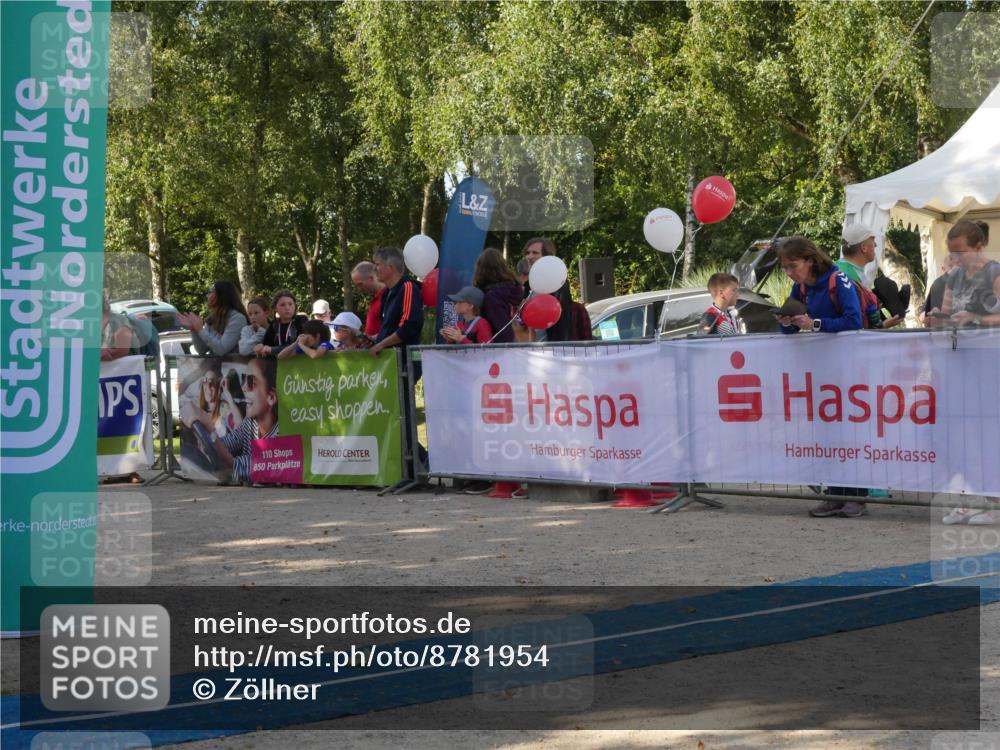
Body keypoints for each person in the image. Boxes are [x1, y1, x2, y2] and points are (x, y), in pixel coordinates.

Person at [774, 237, 867, 519]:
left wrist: (814, 324)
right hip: (821, 373)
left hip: (849, 370)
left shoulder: (839, 281)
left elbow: (854, 321)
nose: (789, 272)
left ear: (810, 260)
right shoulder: (799, 288)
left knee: (849, 433)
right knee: (826, 434)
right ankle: (834, 495)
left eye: (793, 266)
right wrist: (787, 323)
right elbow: (790, 331)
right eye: (785, 268)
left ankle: (857, 497)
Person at [208, 356, 279, 485]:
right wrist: (208, 444)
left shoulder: (280, 434)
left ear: (271, 397)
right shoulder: (250, 423)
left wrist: (209, 431)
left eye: (251, 381)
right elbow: (229, 444)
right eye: (243, 379)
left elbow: (242, 466)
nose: (244, 387)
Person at [927, 220, 999, 329]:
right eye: (951, 254)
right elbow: (948, 316)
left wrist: (975, 318)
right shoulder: (954, 275)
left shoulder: (994, 273)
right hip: (960, 343)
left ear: (978, 248)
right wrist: (939, 319)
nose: (955, 260)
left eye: (960, 254)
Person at [837, 225, 901, 329]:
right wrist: (882, 325)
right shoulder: (847, 275)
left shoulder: (844, 268)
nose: (875, 245)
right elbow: (854, 322)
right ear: (864, 248)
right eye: (873, 241)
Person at [369, 247, 424, 357]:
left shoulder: (408, 287)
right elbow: (390, 328)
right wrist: (373, 338)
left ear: (390, 267)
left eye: (377, 264)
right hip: (389, 362)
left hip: (405, 363)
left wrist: (381, 344)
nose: (374, 269)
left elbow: (408, 327)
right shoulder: (386, 292)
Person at [521, 237, 574, 342]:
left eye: (535, 253)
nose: (529, 256)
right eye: (528, 253)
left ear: (547, 257)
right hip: (530, 349)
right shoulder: (528, 283)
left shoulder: (557, 281)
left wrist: (558, 347)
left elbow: (563, 320)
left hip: (551, 348)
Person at [178, 280, 248, 357]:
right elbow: (202, 350)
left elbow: (221, 349)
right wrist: (194, 330)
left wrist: (200, 330)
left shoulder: (237, 318)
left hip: (235, 367)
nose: (207, 295)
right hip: (216, 368)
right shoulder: (211, 319)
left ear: (222, 295)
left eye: (211, 292)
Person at [472, 247, 524, 343]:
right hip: (520, 347)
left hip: (498, 352)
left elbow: (503, 332)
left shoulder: (492, 297)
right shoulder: (514, 289)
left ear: (481, 270)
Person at [255, 289, 309, 357]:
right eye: (282, 305)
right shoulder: (274, 325)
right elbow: (266, 346)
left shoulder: (301, 320)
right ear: (275, 308)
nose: (287, 308)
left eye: (290, 304)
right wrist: (260, 347)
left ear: (295, 306)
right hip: (280, 364)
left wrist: (273, 349)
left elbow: (301, 344)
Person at [352, 261, 387, 338]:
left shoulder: (389, 297)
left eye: (360, 284)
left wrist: (373, 339)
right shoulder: (375, 299)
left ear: (371, 278)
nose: (359, 289)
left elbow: (395, 329)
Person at [921, 254, 955, 325]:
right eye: (951, 266)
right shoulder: (938, 284)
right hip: (943, 328)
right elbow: (924, 315)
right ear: (943, 269)